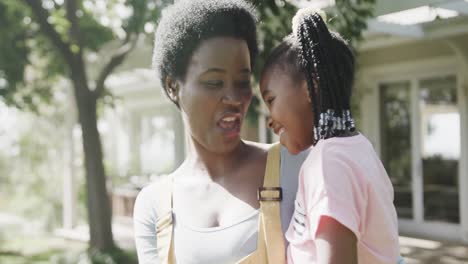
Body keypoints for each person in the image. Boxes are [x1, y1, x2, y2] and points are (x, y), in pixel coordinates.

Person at [133, 1, 308, 263]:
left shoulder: (297, 166)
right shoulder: (154, 207)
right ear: (173, 87)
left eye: (242, 82)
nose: (234, 98)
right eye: (213, 82)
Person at [259, 8, 401, 264]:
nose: (269, 119)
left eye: (271, 100)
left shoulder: (329, 164)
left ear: (311, 86)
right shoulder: (357, 148)